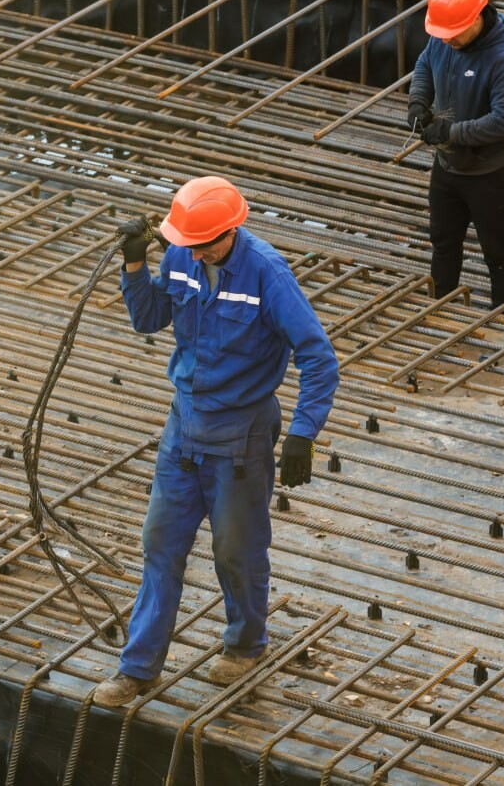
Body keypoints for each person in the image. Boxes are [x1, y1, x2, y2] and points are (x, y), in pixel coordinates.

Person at [94, 176, 339, 707]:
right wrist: (136, 265)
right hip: (183, 425)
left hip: (242, 435)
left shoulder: (267, 273)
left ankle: (246, 645)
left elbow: (319, 358)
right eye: (187, 243)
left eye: (203, 243)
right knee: (160, 543)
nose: (194, 250)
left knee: (236, 550)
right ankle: (138, 668)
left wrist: (304, 437)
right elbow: (149, 318)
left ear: (230, 232)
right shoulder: (180, 254)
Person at [407, 0, 504, 308]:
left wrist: (451, 133)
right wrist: (418, 99)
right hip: (448, 168)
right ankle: (439, 312)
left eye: (453, 34)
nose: (446, 41)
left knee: (498, 255)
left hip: (490, 175)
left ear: (476, 18)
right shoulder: (444, 37)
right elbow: (425, 63)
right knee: (444, 245)